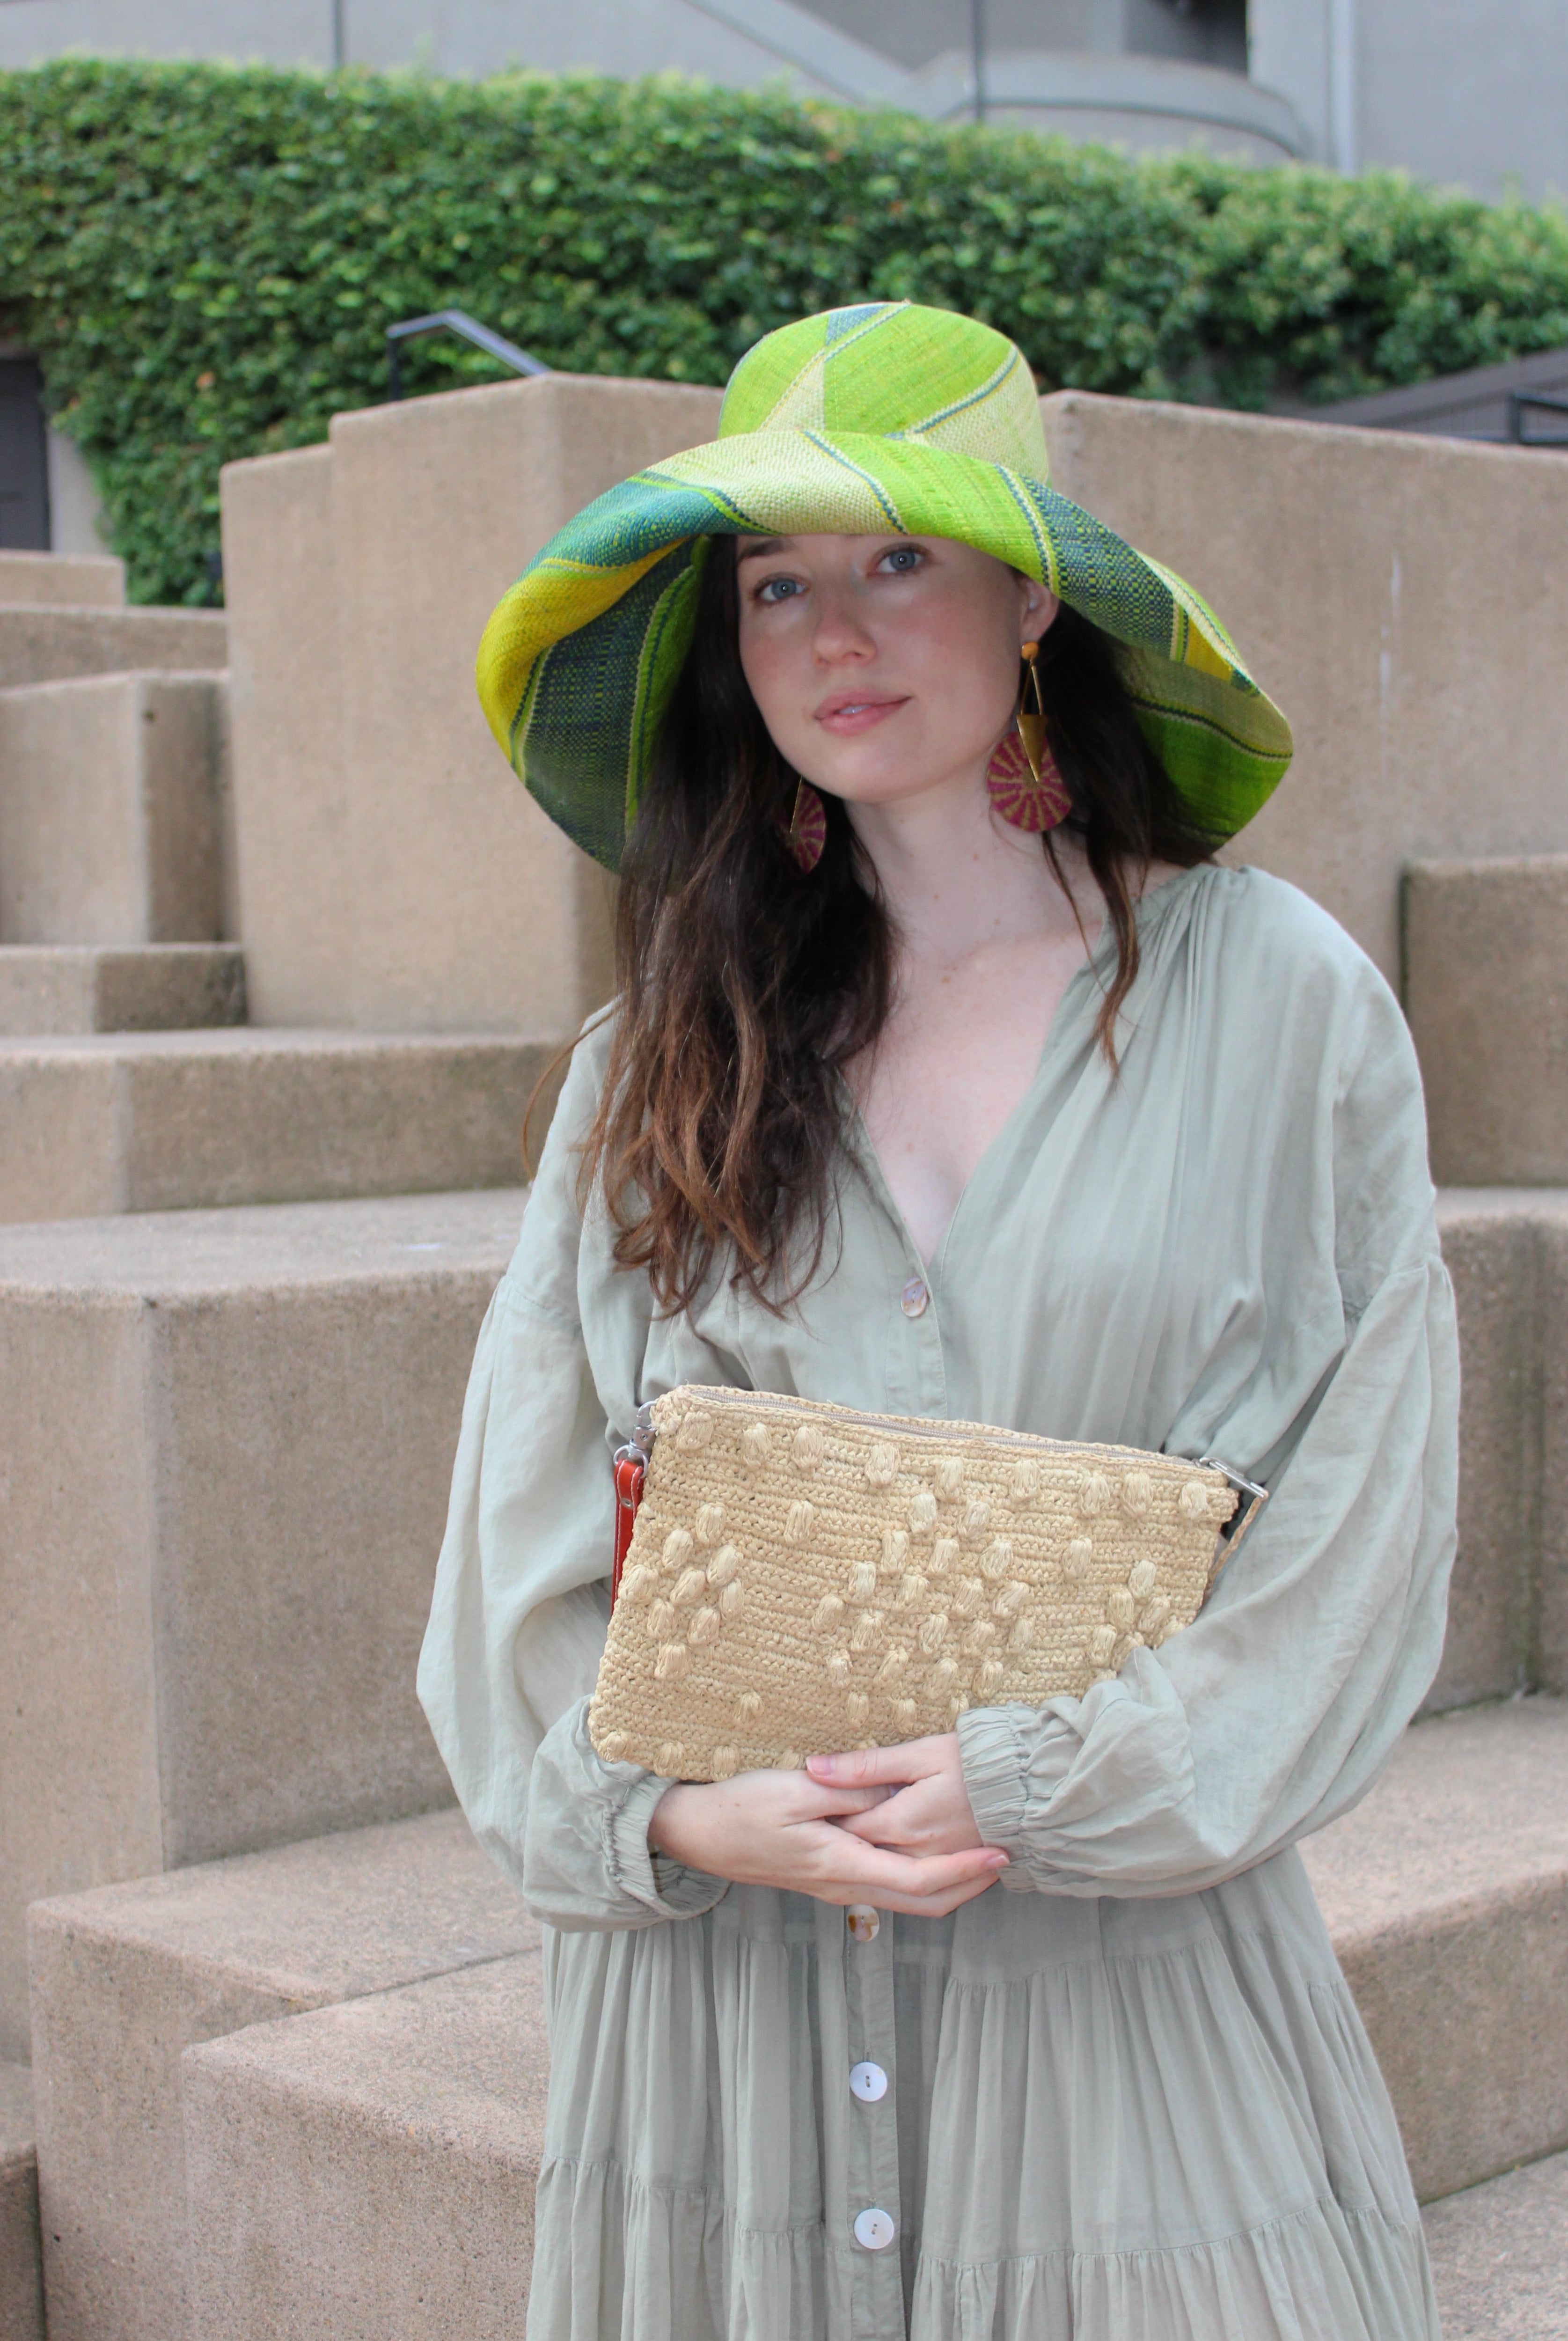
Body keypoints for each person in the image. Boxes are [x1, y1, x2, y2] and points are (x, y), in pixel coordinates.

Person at [419, 301, 1458, 2341]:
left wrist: (1050, 1779)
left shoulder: (1279, 1003)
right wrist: (675, 1816)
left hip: (1118, 1999)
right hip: (722, 2020)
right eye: (775, 582)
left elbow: (1365, 1512)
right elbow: (521, 1547)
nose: (833, 634)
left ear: (1034, 602)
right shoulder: (655, 1063)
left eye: (900, 557)